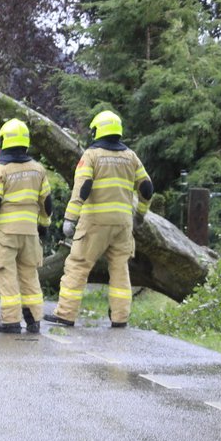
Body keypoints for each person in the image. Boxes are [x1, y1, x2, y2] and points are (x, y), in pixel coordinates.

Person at [46, 110, 154, 328]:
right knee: (120, 269)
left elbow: (82, 187)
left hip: (95, 222)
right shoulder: (130, 157)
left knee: (78, 265)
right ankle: (120, 317)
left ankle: (66, 314)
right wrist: (141, 213)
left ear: (98, 131)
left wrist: (70, 218)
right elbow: (147, 187)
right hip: (123, 223)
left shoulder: (91, 155)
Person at [0, 119, 52, 334]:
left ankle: (11, 321)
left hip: (5, 234)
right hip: (29, 233)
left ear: (4, 141)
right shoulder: (38, 169)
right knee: (29, 276)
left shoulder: (0, 169)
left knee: (7, 275)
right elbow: (46, 202)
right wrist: (44, 224)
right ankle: (34, 319)